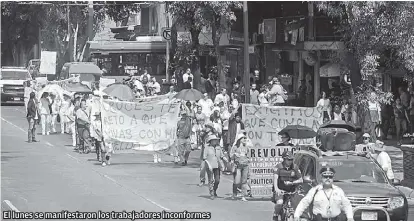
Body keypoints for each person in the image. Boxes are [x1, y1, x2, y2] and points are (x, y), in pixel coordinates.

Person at [272, 151, 303, 221]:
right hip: (281, 189)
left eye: (291, 159)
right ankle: (275, 214)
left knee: (296, 206)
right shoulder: (278, 167)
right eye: (288, 159)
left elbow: (301, 180)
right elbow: (275, 178)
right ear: (284, 159)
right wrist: (276, 189)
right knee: (279, 203)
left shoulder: (295, 167)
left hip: (291, 190)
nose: (290, 161)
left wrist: (292, 183)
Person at [203, 134, 225, 199]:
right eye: (214, 140)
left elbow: (222, 156)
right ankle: (211, 192)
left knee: (217, 180)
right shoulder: (207, 148)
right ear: (210, 141)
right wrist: (208, 165)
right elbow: (204, 158)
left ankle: (215, 190)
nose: (215, 141)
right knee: (211, 180)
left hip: (217, 165)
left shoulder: (218, 147)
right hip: (210, 166)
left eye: (216, 140)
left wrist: (226, 161)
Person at [230, 133, 251, 201]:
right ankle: (234, 193)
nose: (244, 139)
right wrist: (235, 154)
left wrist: (248, 159)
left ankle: (243, 196)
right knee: (237, 181)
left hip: (245, 165)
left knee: (244, 181)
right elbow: (231, 156)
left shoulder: (246, 147)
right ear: (239, 139)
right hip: (237, 166)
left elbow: (249, 155)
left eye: (245, 138)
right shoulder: (235, 147)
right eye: (243, 138)